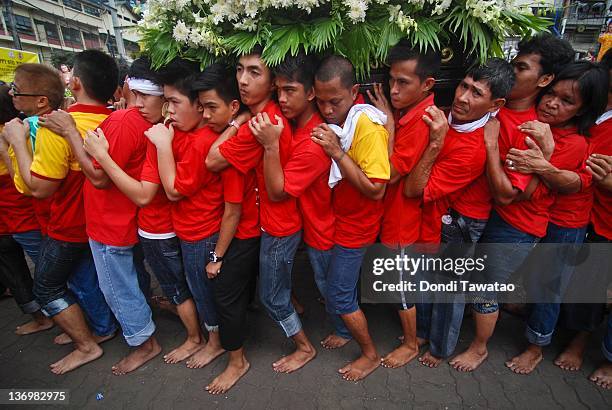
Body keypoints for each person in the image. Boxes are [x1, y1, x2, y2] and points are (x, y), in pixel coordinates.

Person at [75, 58, 203, 365]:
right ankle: (175, 327)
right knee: (156, 282)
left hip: (138, 226)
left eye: (149, 96)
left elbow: (116, 184)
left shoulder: (145, 128)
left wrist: (88, 147)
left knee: (144, 287)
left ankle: (167, 341)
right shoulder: (159, 127)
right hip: (147, 225)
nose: (138, 103)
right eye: (136, 94)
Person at [42, 55, 163, 375]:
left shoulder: (125, 121)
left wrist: (70, 132)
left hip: (110, 223)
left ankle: (143, 343)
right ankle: (142, 324)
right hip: (123, 219)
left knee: (117, 288)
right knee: (129, 280)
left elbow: (98, 177)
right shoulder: (147, 121)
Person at [206, 47, 318, 374]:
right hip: (271, 223)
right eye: (240, 69)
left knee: (271, 297)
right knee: (274, 287)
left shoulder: (261, 124)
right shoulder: (265, 118)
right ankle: (293, 306)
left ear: (271, 84)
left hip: (278, 227)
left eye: (254, 72)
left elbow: (212, 160)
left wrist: (235, 121)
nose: (242, 79)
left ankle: (304, 347)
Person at [5, 55, 118, 374]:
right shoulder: (109, 120)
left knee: (46, 287)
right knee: (83, 277)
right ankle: (101, 327)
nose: (12, 95)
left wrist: (15, 144)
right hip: (95, 224)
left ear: (76, 83)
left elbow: (39, 189)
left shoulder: (55, 128)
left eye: (16, 90)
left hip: (66, 226)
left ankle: (87, 344)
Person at [405, 59, 514, 367]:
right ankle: (425, 332)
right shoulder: (451, 116)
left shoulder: (474, 150)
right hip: (442, 214)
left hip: (463, 223)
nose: (463, 97)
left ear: (497, 104)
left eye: (476, 93)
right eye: (464, 86)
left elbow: (416, 189)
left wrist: (436, 143)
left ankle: (439, 349)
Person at [249, 52, 352, 350]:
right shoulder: (298, 125)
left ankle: (344, 332)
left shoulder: (313, 142)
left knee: (330, 288)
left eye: (290, 91)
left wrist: (269, 146)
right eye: (278, 90)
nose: (281, 98)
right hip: (309, 225)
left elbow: (278, 191)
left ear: (310, 93)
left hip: (323, 231)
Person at [310, 55, 389, 381]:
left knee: (340, 293)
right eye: (322, 101)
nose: (327, 110)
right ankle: (345, 330)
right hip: (341, 220)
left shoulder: (366, 127)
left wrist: (337, 153)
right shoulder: (347, 120)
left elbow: (375, 189)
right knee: (340, 286)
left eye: (335, 101)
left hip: (357, 227)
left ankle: (370, 354)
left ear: (354, 90)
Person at [366, 42, 441, 368]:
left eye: (403, 83)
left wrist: (391, 128)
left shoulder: (419, 121)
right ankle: (417, 334)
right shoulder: (409, 111)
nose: (394, 90)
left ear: (427, 85)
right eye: (391, 80)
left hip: (402, 220)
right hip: (397, 216)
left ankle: (411, 344)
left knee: (401, 285)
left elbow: (390, 173)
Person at [185, 63, 259, 394]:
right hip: (250, 227)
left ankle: (237, 362)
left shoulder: (231, 146)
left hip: (244, 231)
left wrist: (216, 256)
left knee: (225, 293)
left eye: (211, 107)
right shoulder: (234, 128)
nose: (204, 114)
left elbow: (232, 211)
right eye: (200, 106)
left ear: (232, 106)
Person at [0, 83, 51, 335]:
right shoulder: (24, 128)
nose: (14, 95)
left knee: (45, 274)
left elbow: (27, 183)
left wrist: (8, 149)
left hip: (23, 217)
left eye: (18, 92)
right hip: (24, 218)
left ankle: (50, 317)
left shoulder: (21, 131)